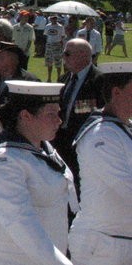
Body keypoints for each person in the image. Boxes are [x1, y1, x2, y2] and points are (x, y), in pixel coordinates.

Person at [0, 80, 75, 264]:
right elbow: (19, 222)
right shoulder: (5, 161)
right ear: (26, 116)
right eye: (51, 114)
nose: (59, 120)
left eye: (58, 113)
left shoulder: (43, 147)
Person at [69, 62, 132, 264]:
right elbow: (127, 187)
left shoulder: (124, 128)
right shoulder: (101, 134)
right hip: (103, 245)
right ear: (116, 92)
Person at [53, 38, 104, 183]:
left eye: (67, 54)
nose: (63, 57)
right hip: (60, 140)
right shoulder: (64, 79)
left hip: (84, 142)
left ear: (83, 55)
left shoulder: (99, 80)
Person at [43, 15, 66, 82]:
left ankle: (58, 77)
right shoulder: (48, 26)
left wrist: (59, 43)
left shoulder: (60, 27)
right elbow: (46, 34)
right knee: (49, 61)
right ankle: (49, 77)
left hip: (57, 44)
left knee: (58, 62)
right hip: (49, 44)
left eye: (55, 18)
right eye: (52, 18)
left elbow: (63, 35)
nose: (53, 20)